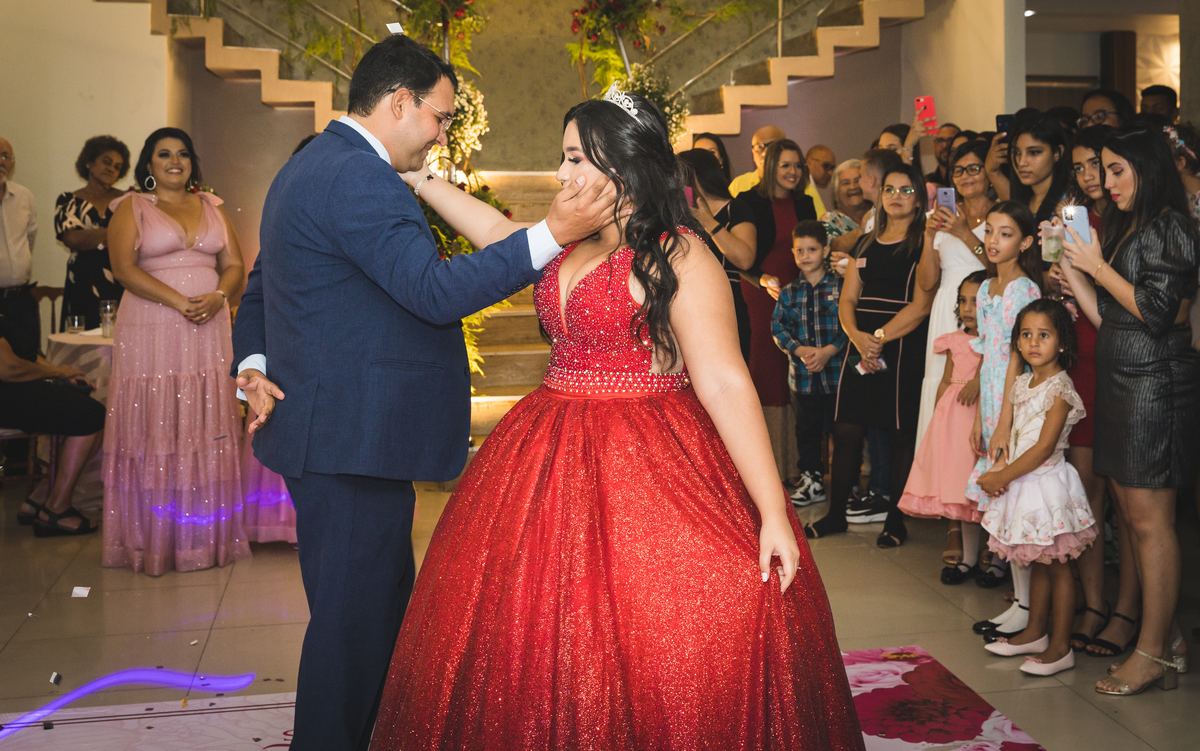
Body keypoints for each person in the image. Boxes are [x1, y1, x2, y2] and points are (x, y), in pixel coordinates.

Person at [370, 87, 865, 751]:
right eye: (563, 156)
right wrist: (419, 178)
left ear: (624, 161)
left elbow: (723, 381)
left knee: (686, 610)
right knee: (528, 622)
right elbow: (494, 234)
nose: (562, 172)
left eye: (576, 157)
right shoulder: (567, 240)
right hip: (546, 449)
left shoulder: (679, 253)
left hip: (650, 452)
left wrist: (773, 510)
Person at [230, 36, 619, 751]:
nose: (442, 133)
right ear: (400, 102)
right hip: (351, 438)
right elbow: (432, 291)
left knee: (368, 617)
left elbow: (262, 284)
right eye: (439, 117)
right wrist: (551, 234)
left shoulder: (311, 164)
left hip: (338, 433)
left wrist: (251, 361)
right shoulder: (358, 177)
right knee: (352, 632)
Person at [1058, 120, 1198, 696]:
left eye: (1117, 170)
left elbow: (1157, 312)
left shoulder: (1170, 227)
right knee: (1130, 516)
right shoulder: (1131, 226)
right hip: (1122, 382)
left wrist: (1097, 267)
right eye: (1103, 169)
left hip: (1154, 386)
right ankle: (1167, 637)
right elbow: (1108, 317)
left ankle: (1154, 651)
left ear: (1148, 168)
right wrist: (1073, 267)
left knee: (1150, 521)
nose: (1106, 181)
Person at [103, 127, 250, 576]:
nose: (174, 161)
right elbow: (123, 269)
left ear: (192, 163)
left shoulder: (212, 206)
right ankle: (152, 542)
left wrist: (219, 297)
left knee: (205, 423)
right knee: (156, 423)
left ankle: (202, 541)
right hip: (152, 329)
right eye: (164, 154)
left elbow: (235, 265)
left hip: (209, 328)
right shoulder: (131, 207)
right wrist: (180, 302)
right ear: (148, 164)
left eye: (182, 153)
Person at [804, 164, 935, 547]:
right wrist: (857, 337)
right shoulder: (864, 242)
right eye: (890, 189)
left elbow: (923, 302)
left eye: (906, 190)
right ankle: (835, 515)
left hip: (902, 342)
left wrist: (879, 337)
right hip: (860, 343)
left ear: (919, 199)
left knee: (899, 435)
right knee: (846, 429)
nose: (896, 196)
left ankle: (895, 521)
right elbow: (848, 299)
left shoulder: (924, 241)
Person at [978, 300, 1096, 676]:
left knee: (1058, 567)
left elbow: (1044, 447)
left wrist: (1002, 477)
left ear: (1062, 342)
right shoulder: (1023, 383)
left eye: (1044, 335)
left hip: (1046, 485)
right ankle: (1035, 633)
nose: (1033, 342)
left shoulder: (1060, 388)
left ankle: (1061, 647)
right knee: (1039, 564)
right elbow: (1015, 436)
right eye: (1026, 335)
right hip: (1024, 482)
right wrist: (1001, 468)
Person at [1055, 124, 1119, 654]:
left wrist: (1087, 275)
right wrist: (1060, 277)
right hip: (1080, 355)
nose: (1089, 175)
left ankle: (1134, 614)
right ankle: (1095, 604)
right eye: (1078, 167)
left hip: (1122, 358)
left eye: (1096, 163)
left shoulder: (1129, 221)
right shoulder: (1077, 219)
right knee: (1085, 492)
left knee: (1132, 503)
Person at [964, 202, 1043, 625]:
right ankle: (1019, 603)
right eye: (990, 231)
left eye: (1006, 233)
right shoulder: (985, 289)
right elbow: (986, 356)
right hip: (993, 400)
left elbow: (1017, 357)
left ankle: (1027, 607)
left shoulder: (1024, 289)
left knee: (1016, 500)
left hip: (1016, 402)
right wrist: (982, 417)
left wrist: (1004, 423)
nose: (993, 240)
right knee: (1001, 504)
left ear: (1026, 242)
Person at [729, 139, 819, 480]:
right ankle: (766, 469)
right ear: (770, 167)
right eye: (785, 165)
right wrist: (762, 279)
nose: (793, 172)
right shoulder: (748, 201)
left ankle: (796, 465)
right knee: (766, 375)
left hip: (800, 298)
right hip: (761, 293)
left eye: (797, 165)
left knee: (795, 376)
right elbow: (739, 259)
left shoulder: (805, 203)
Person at [899, 271, 986, 582]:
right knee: (961, 489)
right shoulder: (954, 340)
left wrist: (979, 382)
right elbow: (947, 381)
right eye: (963, 301)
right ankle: (970, 558)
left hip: (980, 416)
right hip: (954, 419)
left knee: (981, 489)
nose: (967, 308)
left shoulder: (995, 343)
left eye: (975, 301)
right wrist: (937, 418)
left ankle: (997, 559)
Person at [914, 140, 991, 452]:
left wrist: (964, 233)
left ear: (988, 172)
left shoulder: (1000, 215)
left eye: (974, 168)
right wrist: (929, 235)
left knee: (973, 385)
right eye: (958, 171)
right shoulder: (945, 215)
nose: (965, 176)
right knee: (941, 381)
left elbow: (1000, 267)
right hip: (946, 307)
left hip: (983, 306)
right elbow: (926, 282)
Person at [1, 311, 105, 536]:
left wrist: (61, 374)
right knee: (91, 415)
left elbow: (25, 354)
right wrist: (57, 372)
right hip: (6, 393)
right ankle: (56, 509)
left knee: (80, 403)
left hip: (12, 389)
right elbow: (9, 368)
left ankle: (40, 497)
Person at [772, 221, 846, 507]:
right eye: (799, 250)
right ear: (793, 252)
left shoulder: (840, 286)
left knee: (842, 430)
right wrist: (800, 350)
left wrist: (829, 351)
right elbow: (778, 328)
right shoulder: (789, 292)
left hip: (836, 376)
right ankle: (812, 481)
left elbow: (849, 323)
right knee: (806, 431)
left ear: (825, 251)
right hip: (802, 378)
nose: (805, 255)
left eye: (812, 249)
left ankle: (844, 483)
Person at [679, 148, 754, 360]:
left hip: (727, 302)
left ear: (696, 174)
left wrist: (708, 222)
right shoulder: (682, 212)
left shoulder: (736, 209)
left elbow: (745, 259)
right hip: (689, 303)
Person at [55, 135, 129, 330]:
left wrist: (91, 237)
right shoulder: (68, 200)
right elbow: (72, 238)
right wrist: (114, 232)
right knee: (80, 337)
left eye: (117, 167)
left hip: (119, 277)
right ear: (89, 161)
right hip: (82, 281)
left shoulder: (126, 200)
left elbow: (135, 236)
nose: (111, 169)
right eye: (106, 162)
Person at [730, 125, 827, 214]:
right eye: (759, 147)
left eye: (772, 146)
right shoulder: (739, 186)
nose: (764, 153)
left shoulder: (805, 193)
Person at [0, 137, 38, 344]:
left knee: (30, 356)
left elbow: (29, 239)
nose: (1, 161)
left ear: (13, 163)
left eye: (5, 156)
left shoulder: (24, 196)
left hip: (22, 300)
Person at [821, 159, 869, 242]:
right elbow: (832, 247)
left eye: (857, 181)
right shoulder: (829, 222)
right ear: (837, 191)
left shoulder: (881, 214)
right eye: (846, 183)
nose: (852, 187)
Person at [806, 143, 837, 208]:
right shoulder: (801, 190)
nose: (830, 173)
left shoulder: (811, 189)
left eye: (832, 168)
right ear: (809, 162)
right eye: (826, 166)